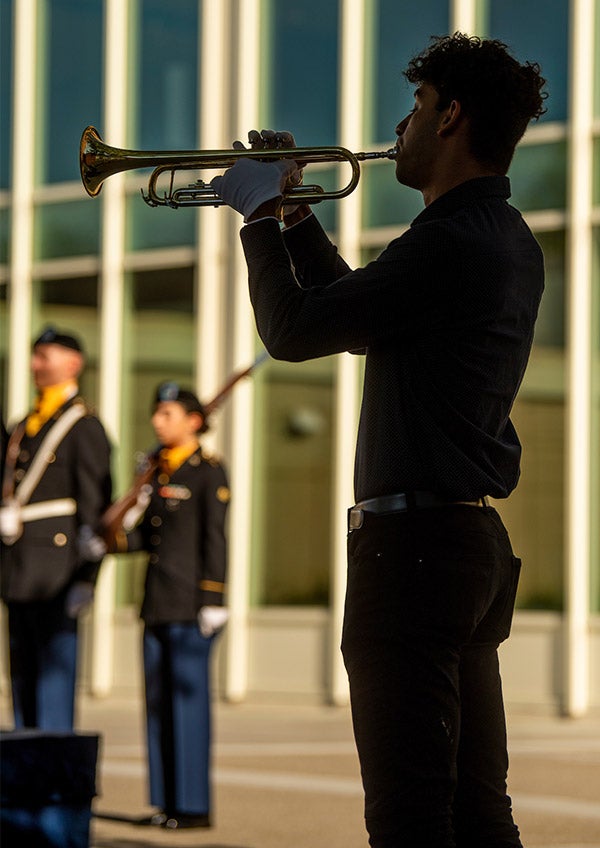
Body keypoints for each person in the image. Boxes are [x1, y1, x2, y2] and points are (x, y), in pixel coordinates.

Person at [210, 32, 547, 848]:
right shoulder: (496, 236)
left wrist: (256, 215)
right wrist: (291, 212)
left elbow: (294, 331)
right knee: (474, 810)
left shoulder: (450, 240)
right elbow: (358, 315)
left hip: (416, 552)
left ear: (452, 116)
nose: (401, 127)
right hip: (460, 543)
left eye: (417, 108)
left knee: (409, 817)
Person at [113, 382, 229, 830]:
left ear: (193, 420)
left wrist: (214, 598)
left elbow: (214, 539)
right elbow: (145, 537)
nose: (157, 421)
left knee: (188, 706)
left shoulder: (208, 471)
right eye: (156, 413)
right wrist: (110, 538)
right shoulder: (158, 472)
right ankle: (166, 802)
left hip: (192, 605)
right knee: (158, 705)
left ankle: (194, 806)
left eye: (167, 414)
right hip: (157, 602)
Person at [0, 326, 112, 731]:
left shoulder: (84, 427)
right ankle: (23, 783)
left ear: (72, 363)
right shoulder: (22, 426)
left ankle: (54, 790)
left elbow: (94, 510)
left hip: (57, 573)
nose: (35, 364)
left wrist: (87, 577)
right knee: (23, 684)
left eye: (44, 356)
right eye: (34, 356)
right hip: (18, 569)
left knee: (53, 687)